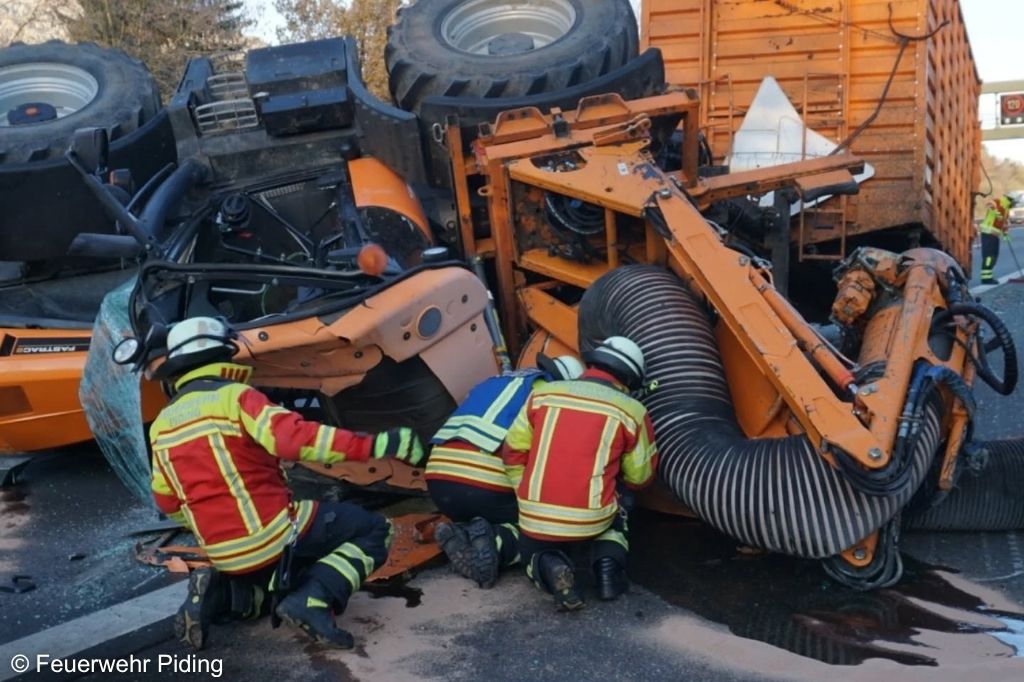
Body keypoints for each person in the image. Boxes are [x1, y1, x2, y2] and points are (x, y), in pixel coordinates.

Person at [147, 317, 424, 650]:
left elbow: (166, 503)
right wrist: (377, 445)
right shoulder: (236, 397)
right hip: (271, 533)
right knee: (373, 530)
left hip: (221, 553)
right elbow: (296, 441)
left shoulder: (161, 425)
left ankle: (220, 596)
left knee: (271, 591)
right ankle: (314, 600)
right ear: (226, 354)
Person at [503, 336, 658, 610]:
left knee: (532, 557)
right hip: (592, 519)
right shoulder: (632, 411)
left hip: (535, 515)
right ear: (630, 379)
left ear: (594, 362)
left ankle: (551, 566)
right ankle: (608, 569)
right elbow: (640, 477)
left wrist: (524, 491)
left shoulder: (542, 395)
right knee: (621, 502)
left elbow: (513, 452)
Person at [427, 354, 584, 588]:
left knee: (482, 507)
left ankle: (465, 532)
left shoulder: (494, 381)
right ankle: (499, 543)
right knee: (548, 529)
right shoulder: (549, 395)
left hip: (438, 480)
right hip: (485, 484)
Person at [979, 194, 1013, 284]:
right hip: (988, 233)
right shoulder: (998, 202)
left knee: (994, 257)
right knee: (989, 256)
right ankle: (985, 278)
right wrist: (995, 211)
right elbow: (989, 204)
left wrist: (1005, 234)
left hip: (995, 235)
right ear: (1009, 201)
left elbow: (1004, 223)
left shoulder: (1006, 210)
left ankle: (989, 276)